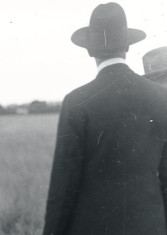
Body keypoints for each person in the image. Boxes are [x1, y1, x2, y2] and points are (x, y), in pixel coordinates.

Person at [43, 3, 167, 235]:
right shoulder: (162, 97)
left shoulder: (76, 101)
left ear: (91, 51)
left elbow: (63, 187)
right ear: (127, 47)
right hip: (150, 226)